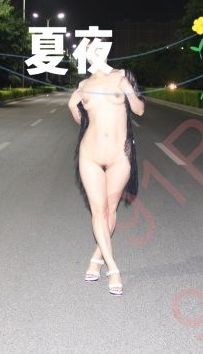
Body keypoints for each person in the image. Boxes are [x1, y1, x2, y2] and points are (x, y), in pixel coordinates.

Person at [67, 41, 145, 296]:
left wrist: (128, 91)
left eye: (99, 49)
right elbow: (82, 120)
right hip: (89, 155)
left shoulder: (122, 76)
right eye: (90, 51)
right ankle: (113, 268)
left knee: (110, 210)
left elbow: (139, 110)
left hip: (120, 155)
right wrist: (72, 106)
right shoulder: (83, 85)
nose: (95, 54)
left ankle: (97, 258)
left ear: (106, 52)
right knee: (98, 211)